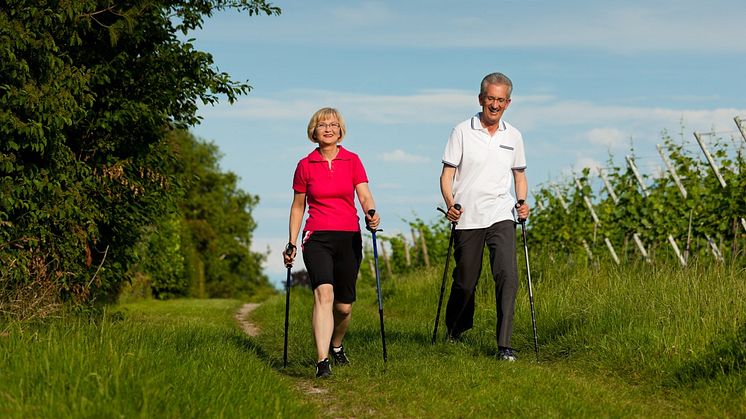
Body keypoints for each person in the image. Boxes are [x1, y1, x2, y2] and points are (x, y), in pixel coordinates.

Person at [439, 72, 530, 361]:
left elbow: (520, 175)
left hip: (501, 214)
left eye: (501, 100)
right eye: (490, 98)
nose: (495, 105)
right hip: (467, 216)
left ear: (508, 102)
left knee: (507, 275)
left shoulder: (513, 136)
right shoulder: (461, 131)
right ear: (481, 99)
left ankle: (504, 345)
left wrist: (522, 202)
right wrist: (450, 202)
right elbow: (447, 175)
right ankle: (455, 328)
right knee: (466, 280)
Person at [284, 107, 380, 378]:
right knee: (324, 294)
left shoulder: (352, 160)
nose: (328, 128)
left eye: (333, 124)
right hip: (317, 236)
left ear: (340, 131)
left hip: (348, 236)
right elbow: (297, 207)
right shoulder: (305, 165)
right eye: (322, 125)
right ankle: (322, 361)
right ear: (313, 132)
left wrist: (371, 213)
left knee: (344, 306)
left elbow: (364, 194)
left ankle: (336, 346)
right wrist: (292, 242)